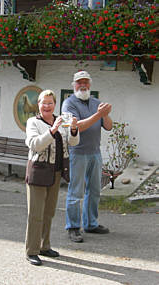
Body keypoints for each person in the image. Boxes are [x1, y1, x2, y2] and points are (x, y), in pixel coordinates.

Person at [25, 89, 79, 266]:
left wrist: (73, 129)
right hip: (39, 172)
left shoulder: (61, 120)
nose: (47, 106)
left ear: (55, 104)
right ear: (38, 105)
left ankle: (44, 246)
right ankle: (31, 250)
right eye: (43, 103)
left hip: (56, 172)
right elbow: (35, 144)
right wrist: (52, 130)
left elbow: (73, 142)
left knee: (49, 213)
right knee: (36, 214)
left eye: (50, 103)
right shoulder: (33, 122)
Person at [61, 71, 113, 243]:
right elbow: (77, 127)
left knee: (95, 190)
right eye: (79, 82)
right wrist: (99, 114)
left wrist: (104, 114)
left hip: (95, 153)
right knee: (75, 191)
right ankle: (73, 227)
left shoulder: (97, 102)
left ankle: (91, 223)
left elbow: (109, 126)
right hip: (77, 153)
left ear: (90, 84)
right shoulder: (69, 103)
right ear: (74, 85)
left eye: (86, 82)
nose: (83, 85)